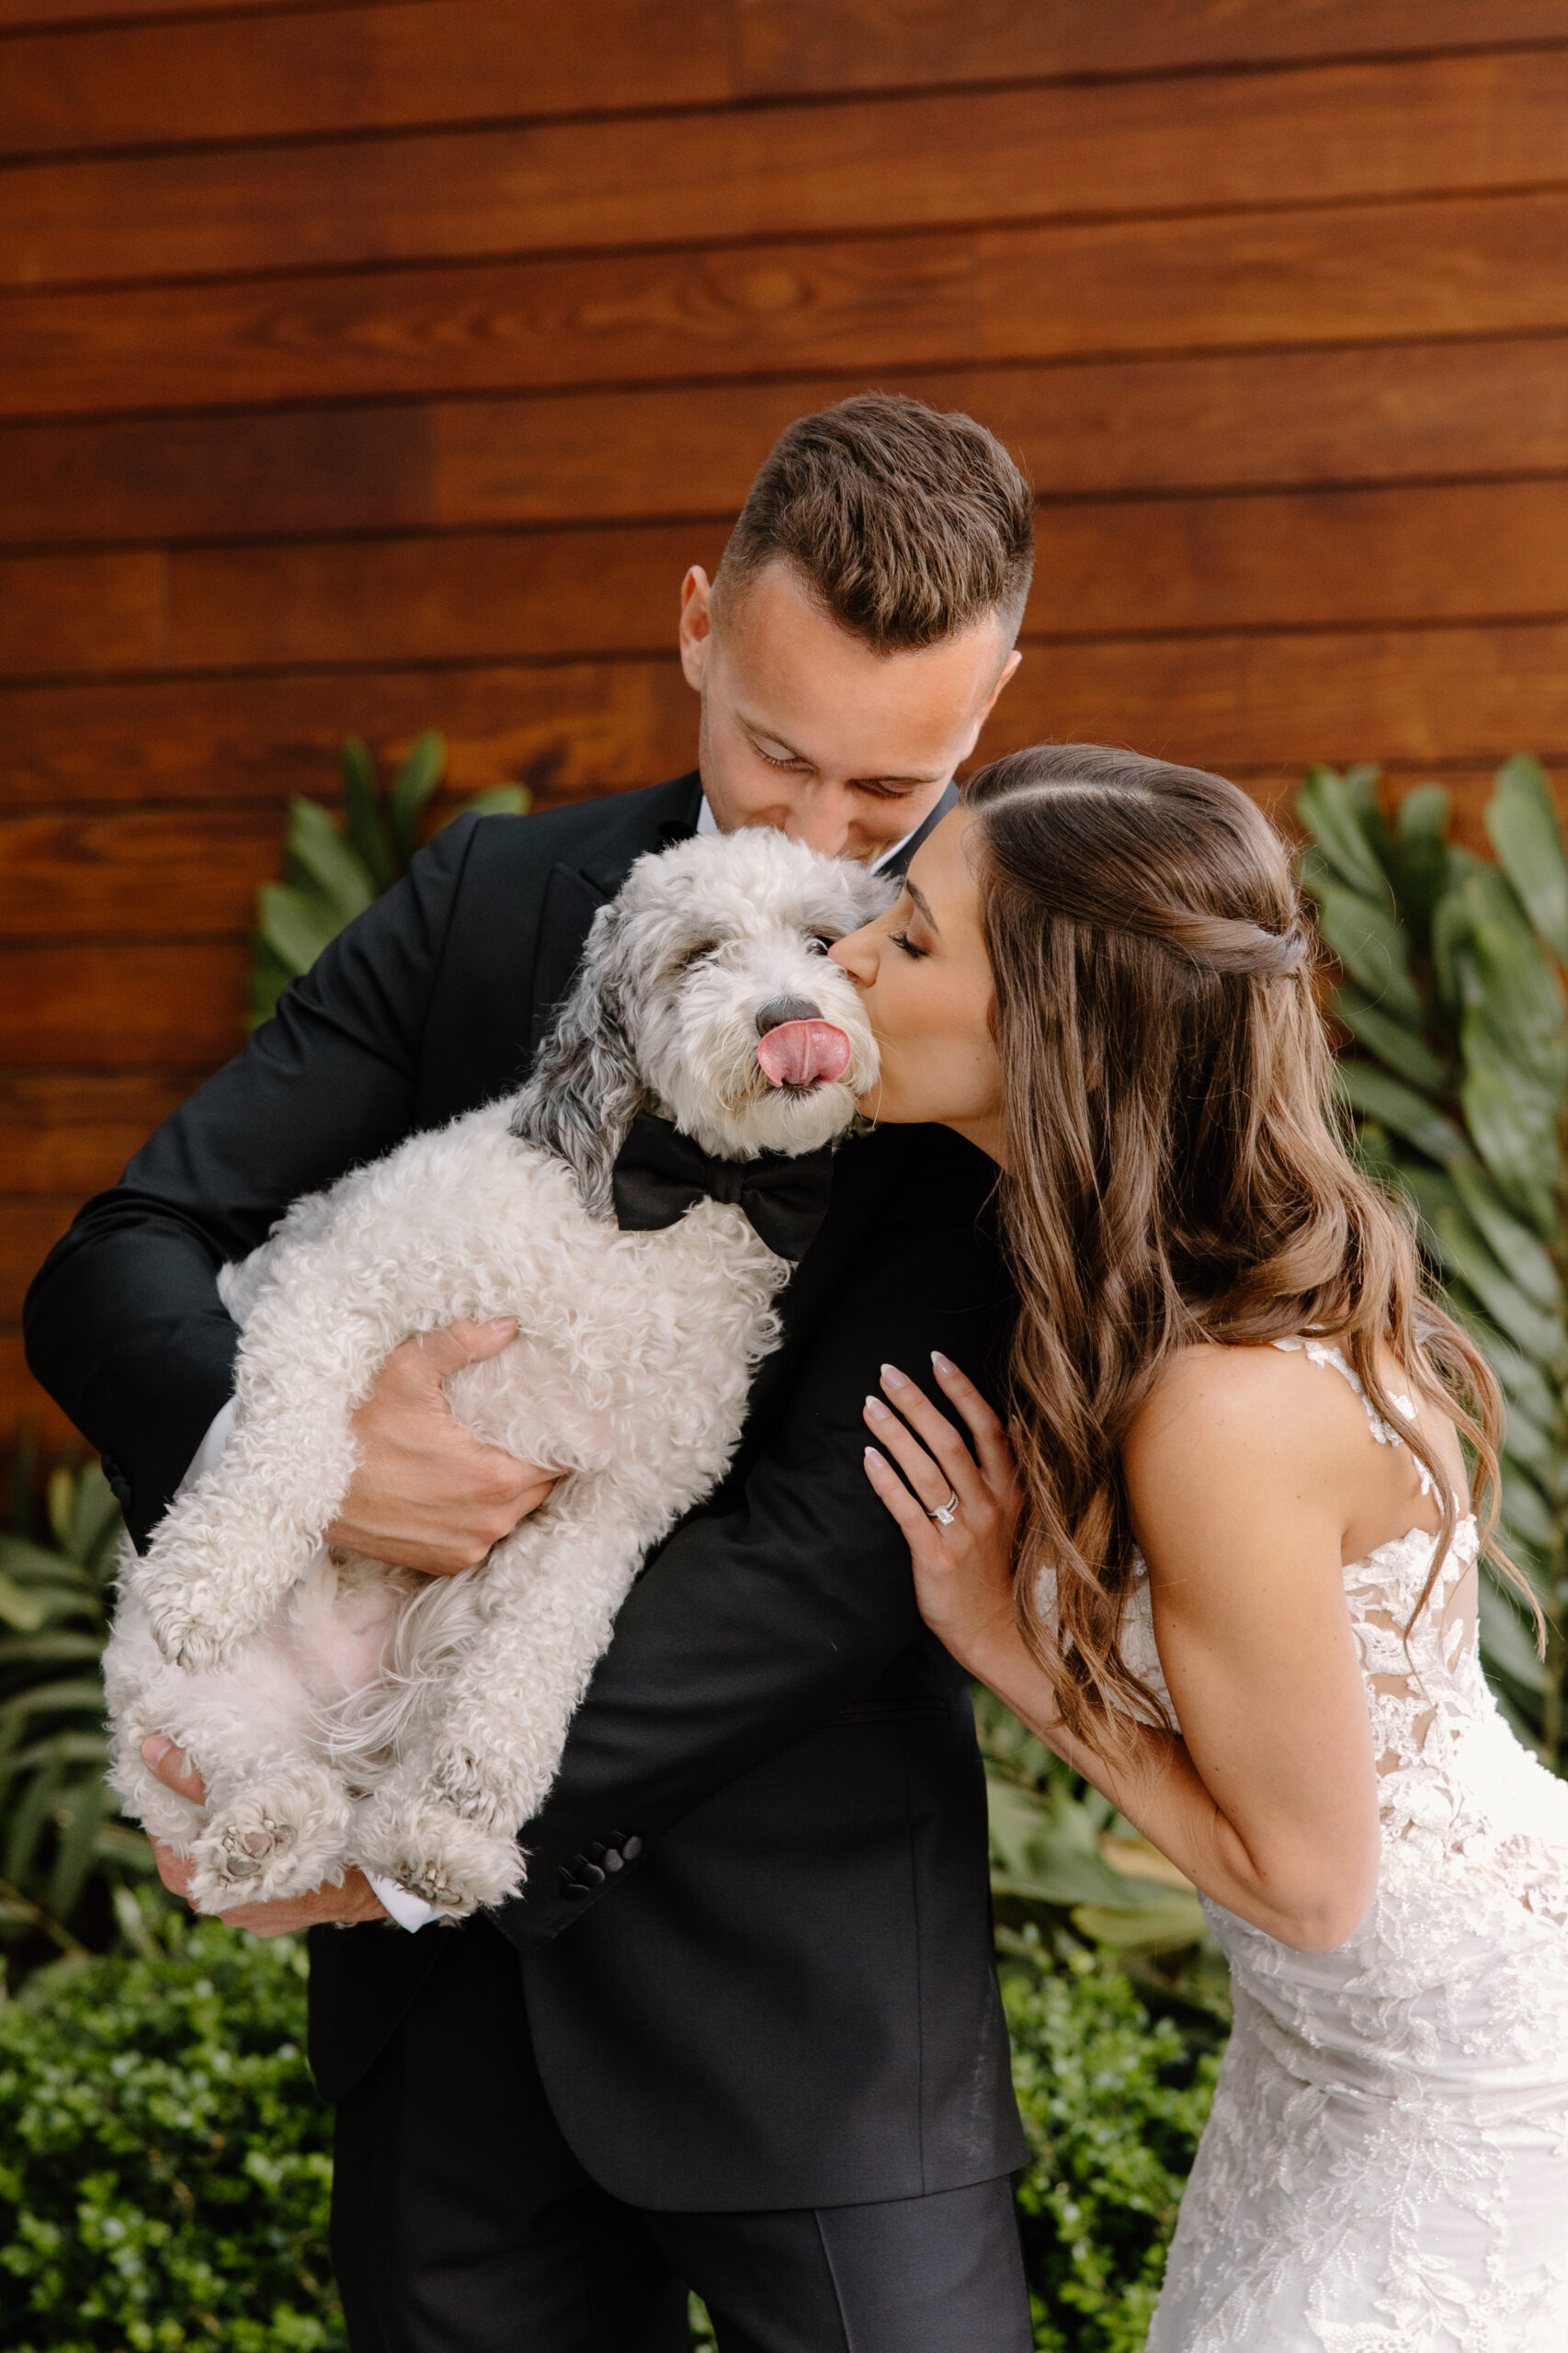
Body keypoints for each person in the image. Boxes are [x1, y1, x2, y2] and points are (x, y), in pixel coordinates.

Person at [25, 396, 1043, 2352]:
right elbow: (113, 1262)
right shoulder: (488, 899)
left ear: (991, 709)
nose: (815, 847)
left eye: (885, 791)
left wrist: (405, 1848)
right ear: (692, 626)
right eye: (771, 752)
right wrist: (314, 1450)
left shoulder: (990, 988)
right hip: (448, 2061)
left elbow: (833, 1550)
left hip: (815, 2017)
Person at [833, 740, 1568, 2350]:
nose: (845, 959)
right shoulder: (1170, 1309)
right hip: (1319, 2052)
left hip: (1459, 2074)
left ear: (1057, 1027)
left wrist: (1001, 1648)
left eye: (909, 943)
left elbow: (1306, 1887)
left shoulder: (1217, 1411)